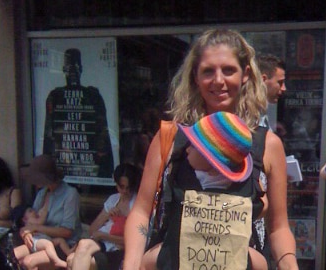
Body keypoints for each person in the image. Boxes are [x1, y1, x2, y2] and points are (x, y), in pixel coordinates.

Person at [123, 29, 298, 270]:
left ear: (245, 74)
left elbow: (278, 227)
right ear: (195, 76)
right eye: (208, 71)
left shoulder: (268, 145)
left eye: (228, 70)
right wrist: (131, 265)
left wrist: (290, 265)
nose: (218, 80)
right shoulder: (170, 137)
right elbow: (141, 211)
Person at [141, 111, 268, 270]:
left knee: (147, 261)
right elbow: (263, 206)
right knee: (260, 263)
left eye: (193, 146)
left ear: (211, 160)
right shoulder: (245, 187)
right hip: (231, 256)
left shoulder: (184, 175)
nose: (187, 150)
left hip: (180, 255)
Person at [43, 48, 114, 178]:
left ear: (81, 69)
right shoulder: (55, 96)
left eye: (76, 67)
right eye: (69, 67)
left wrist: (103, 166)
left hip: (90, 163)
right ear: (64, 69)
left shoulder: (93, 96)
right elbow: (49, 136)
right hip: (63, 164)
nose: (73, 71)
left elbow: (102, 132)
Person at [66, 163, 141, 270]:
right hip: (103, 243)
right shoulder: (113, 199)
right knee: (82, 245)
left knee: (74, 261)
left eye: (128, 188)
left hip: (118, 249)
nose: (124, 191)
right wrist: (107, 215)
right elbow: (92, 230)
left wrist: (103, 236)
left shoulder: (136, 204)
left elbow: (133, 240)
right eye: (121, 187)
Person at [15, 154, 82, 269]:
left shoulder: (70, 194)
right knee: (13, 256)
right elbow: (32, 221)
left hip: (63, 244)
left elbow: (67, 232)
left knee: (28, 262)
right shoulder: (42, 193)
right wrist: (26, 233)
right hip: (41, 240)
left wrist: (36, 229)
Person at [256, 54, 286, 130]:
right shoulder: (246, 116)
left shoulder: (265, 113)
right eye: (280, 83)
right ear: (263, 80)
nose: (284, 88)